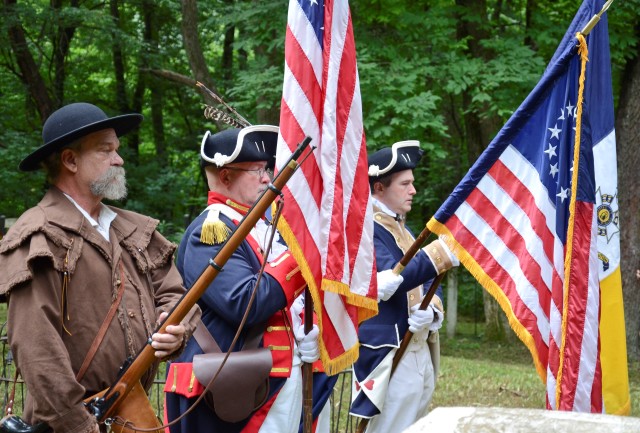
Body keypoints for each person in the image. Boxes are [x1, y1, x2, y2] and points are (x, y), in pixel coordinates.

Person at [0, 102, 200, 433]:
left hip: (130, 415)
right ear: (70, 160)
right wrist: (80, 426)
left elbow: (178, 295)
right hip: (68, 425)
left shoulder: (131, 229)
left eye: (117, 149)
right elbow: (38, 351)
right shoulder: (38, 235)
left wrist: (176, 329)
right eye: (105, 150)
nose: (119, 159)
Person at [164, 126, 320, 433]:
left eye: (267, 169)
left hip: (272, 380)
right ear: (225, 177)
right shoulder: (211, 230)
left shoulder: (257, 226)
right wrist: (303, 254)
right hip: (237, 389)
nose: (267, 178)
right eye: (258, 170)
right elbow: (246, 303)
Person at [349, 140, 459, 432]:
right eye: (405, 183)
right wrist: (440, 254)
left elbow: (424, 284)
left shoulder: (402, 229)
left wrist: (432, 312)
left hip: (418, 344)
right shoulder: (365, 228)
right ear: (379, 188)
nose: (413, 190)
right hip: (389, 349)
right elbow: (392, 276)